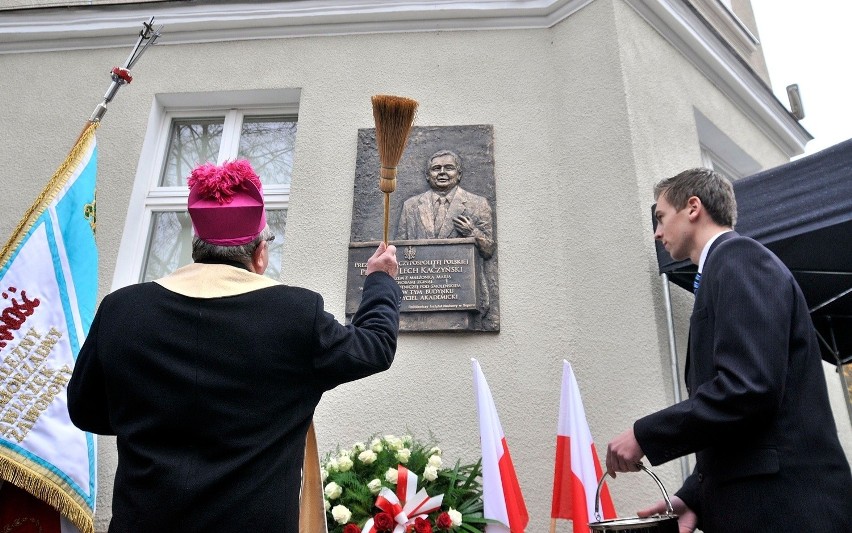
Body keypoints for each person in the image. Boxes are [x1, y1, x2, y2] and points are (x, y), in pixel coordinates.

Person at [67, 159, 402, 532]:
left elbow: (85, 410)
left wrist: (153, 420)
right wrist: (380, 281)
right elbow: (375, 346)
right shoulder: (295, 314)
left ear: (196, 246)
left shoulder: (122, 310)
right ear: (260, 253)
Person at [606, 168, 852, 533]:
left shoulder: (740, 259)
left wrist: (646, 434)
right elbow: (752, 426)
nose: (657, 233)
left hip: (787, 513)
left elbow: (749, 388)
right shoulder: (724, 269)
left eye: (660, 218)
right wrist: (694, 496)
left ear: (693, 207)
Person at [396, 149, 495, 259]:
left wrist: (472, 232)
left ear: (459, 174)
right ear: (427, 175)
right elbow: (398, 252)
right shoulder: (410, 206)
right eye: (436, 168)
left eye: (449, 168)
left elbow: (489, 251)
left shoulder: (479, 204)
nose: (442, 172)